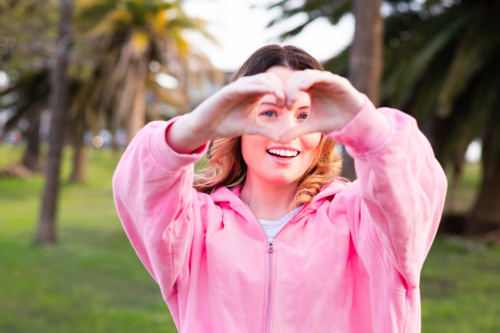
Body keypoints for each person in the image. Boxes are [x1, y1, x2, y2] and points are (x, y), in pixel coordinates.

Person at [112, 45, 447, 333]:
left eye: (305, 116)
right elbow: (140, 182)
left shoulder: (363, 220)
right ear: (236, 125)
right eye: (268, 113)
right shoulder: (193, 228)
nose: (286, 133)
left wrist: (365, 123)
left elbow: (417, 186)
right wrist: (196, 126)